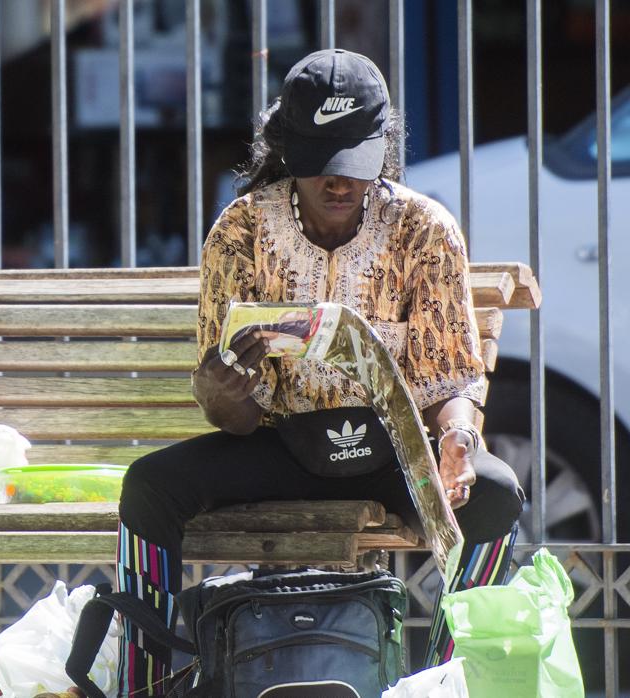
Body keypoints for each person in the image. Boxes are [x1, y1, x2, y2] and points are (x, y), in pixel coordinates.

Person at [115, 48, 525, 695]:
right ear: (286, 152)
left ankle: (448, 682)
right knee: (148, 487)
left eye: (354, 168)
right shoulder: (241, 231)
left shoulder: (425, 231)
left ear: (382, 150)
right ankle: (140, 682)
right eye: (320, 168)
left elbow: (453, 378)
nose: (338, 184)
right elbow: (236, 418)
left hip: (394, 449)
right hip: (280, 444)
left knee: (497, 494)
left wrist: (458, 440)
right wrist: (220, 397)